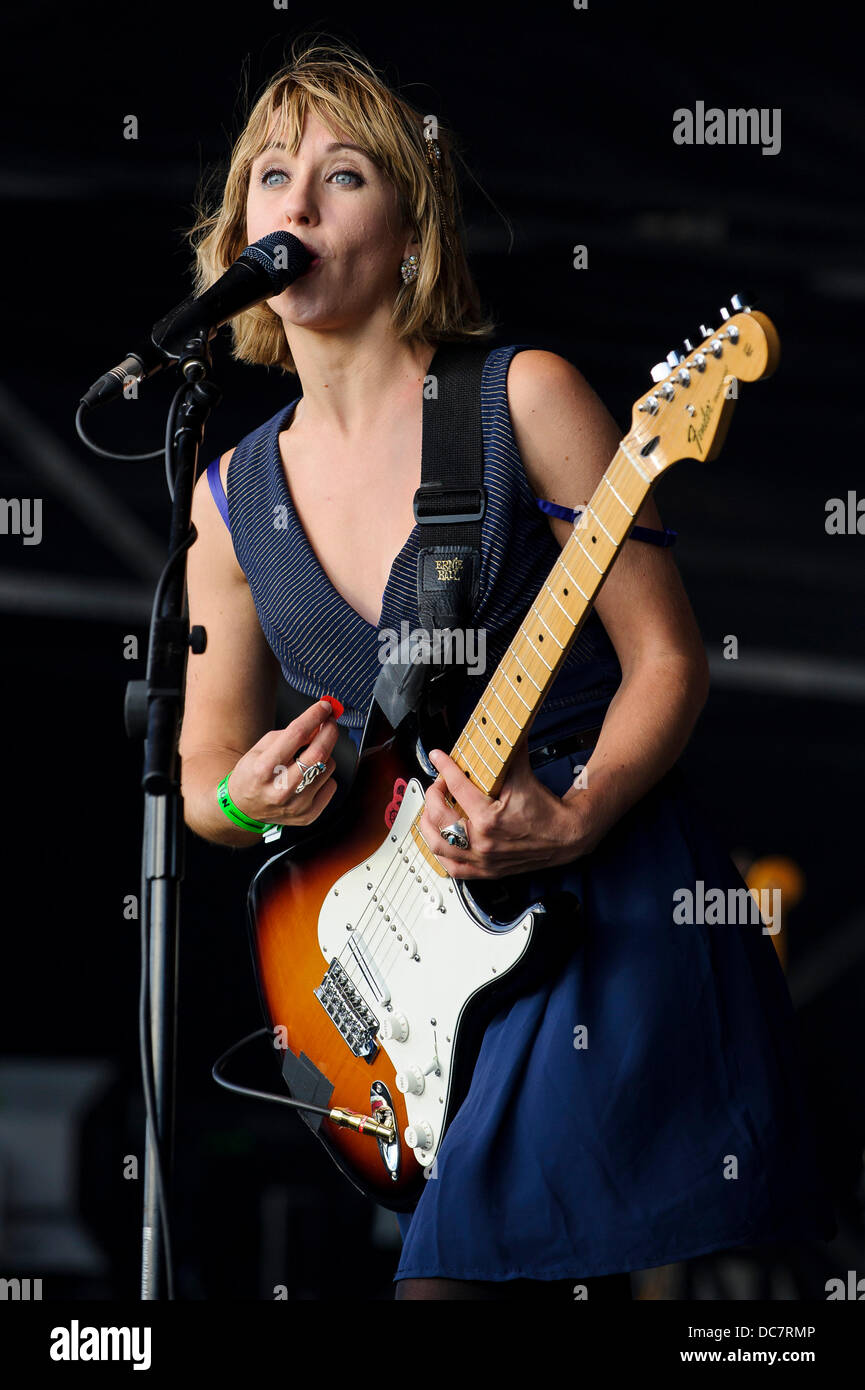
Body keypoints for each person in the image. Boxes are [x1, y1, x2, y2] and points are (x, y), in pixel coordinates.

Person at [178, 37, 836, 1301]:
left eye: (343, 173)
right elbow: (205, 778)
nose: (297, 202)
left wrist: (576, 808)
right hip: (428, 963)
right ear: (235, 237)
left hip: (608, 905)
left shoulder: (521, 397)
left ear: (413, 232)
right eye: (269, 175)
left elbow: (669, 660)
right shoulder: (227, 501)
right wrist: (256, 794)